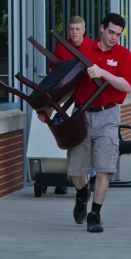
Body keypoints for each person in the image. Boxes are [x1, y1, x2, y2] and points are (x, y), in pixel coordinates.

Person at [38, 13, 131, 233]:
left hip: (107, 116)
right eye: (111, 32)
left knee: (104, 168)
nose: (114, 38)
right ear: (101, 28)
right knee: (75, 169)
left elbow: (127, 85)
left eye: (118, 35)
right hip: (80, 114)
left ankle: (95, 214)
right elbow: (65, 85)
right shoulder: (84, 50)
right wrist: (49, 109)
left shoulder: (123, 55)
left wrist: (103, 73)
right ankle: (82, 194)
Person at [49, 16, 94, 195]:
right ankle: (71, 178)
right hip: (66, 97)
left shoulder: (92, 46)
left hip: (87, 96)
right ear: (68, 30)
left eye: (78, 29)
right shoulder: (61, 47)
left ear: (84, 30)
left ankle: (90, 175)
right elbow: (55, 72)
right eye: (71, 29)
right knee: (67, 138)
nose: (74, 32)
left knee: (87, 138)